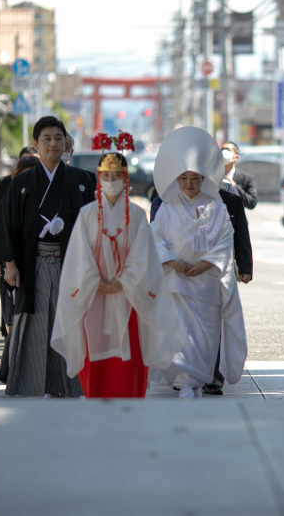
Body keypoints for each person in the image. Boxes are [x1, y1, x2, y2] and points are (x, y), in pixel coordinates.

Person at [50, 152, 183, 398]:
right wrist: (94, 280)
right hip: (94, 296)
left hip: (129, 298)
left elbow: (143, 255)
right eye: (106, 176)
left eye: (116, 176)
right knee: (95, 355)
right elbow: (79, 255)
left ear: (125, 179)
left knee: (130, 358)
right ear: (99, 178)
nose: (112, 181)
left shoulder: (135, 215)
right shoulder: (87, 214)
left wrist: (122, 281)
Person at [0, 116, 96, 397]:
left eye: (58, 138)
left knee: (70, 320)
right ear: (36, 144)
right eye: (46, 139)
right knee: (34, 321)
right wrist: (10, 264)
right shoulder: (22, 182)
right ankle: (33, 383)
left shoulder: (84, 180)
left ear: (66, 143)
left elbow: (96, 225)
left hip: (71, 262)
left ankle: (71, 383)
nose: (53, 143)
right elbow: (6, 223)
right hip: (32, 260)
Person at [150, 126, 248, 399]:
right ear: (177, 179)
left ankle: (197, 379)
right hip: (177, 280)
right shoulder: (168, 207)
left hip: (206, 282)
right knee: (179, 331)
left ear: (204, 178)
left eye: (194, 178)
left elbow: (225, 239)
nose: (189, 184)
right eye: (183, 178)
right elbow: (155, 237)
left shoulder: (216, 206)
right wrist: (173, 262)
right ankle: (184, 381)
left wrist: (205, 264)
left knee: (204, 337)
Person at [0, 151, 40, 338]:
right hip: (12, 261)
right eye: (23, 173)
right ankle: (12, 347)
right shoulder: (9, 194)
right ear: (15, 175)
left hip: (40, 261)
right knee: (11, 309)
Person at [220, 141, 258, 209]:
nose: (224, 152)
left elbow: (252, 203)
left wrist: (234, 187)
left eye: (228, 150)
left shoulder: (246, 178)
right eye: (222, 149)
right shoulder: (212, 176)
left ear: (236, 157)